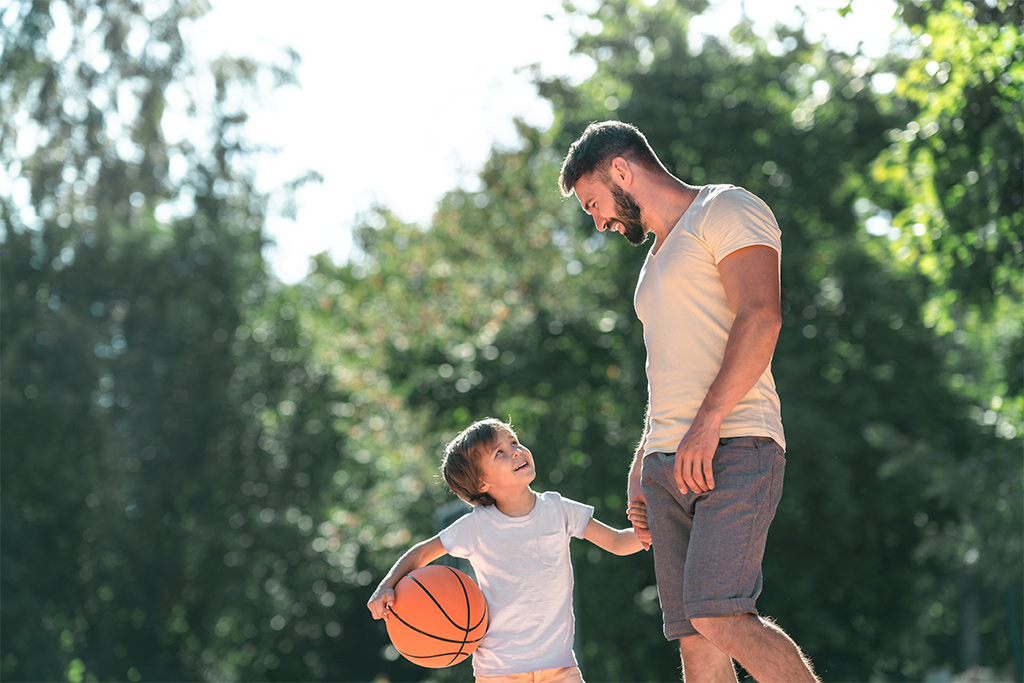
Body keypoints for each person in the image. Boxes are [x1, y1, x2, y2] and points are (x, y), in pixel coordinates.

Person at [558, 120, 819, 683]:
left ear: (622, 171)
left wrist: (707, 425)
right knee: (696, 642)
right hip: (668, 464)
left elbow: (761, 316)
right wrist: (643, 459)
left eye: (593, 203)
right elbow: (669, 375)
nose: (599, 220)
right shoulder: (654, 263)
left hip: (734, 444)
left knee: (719, 612)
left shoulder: (724, 209)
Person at [367, 417, 644, 683]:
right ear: (481, 484)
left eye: (514, 442)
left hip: (560, 668)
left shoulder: (558, 510)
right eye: (500, 452)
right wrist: (386, 586)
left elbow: (617, 542)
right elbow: (422, 553)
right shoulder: (477, 526)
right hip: (499, 671)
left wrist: (660, 528)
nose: (515, 451)